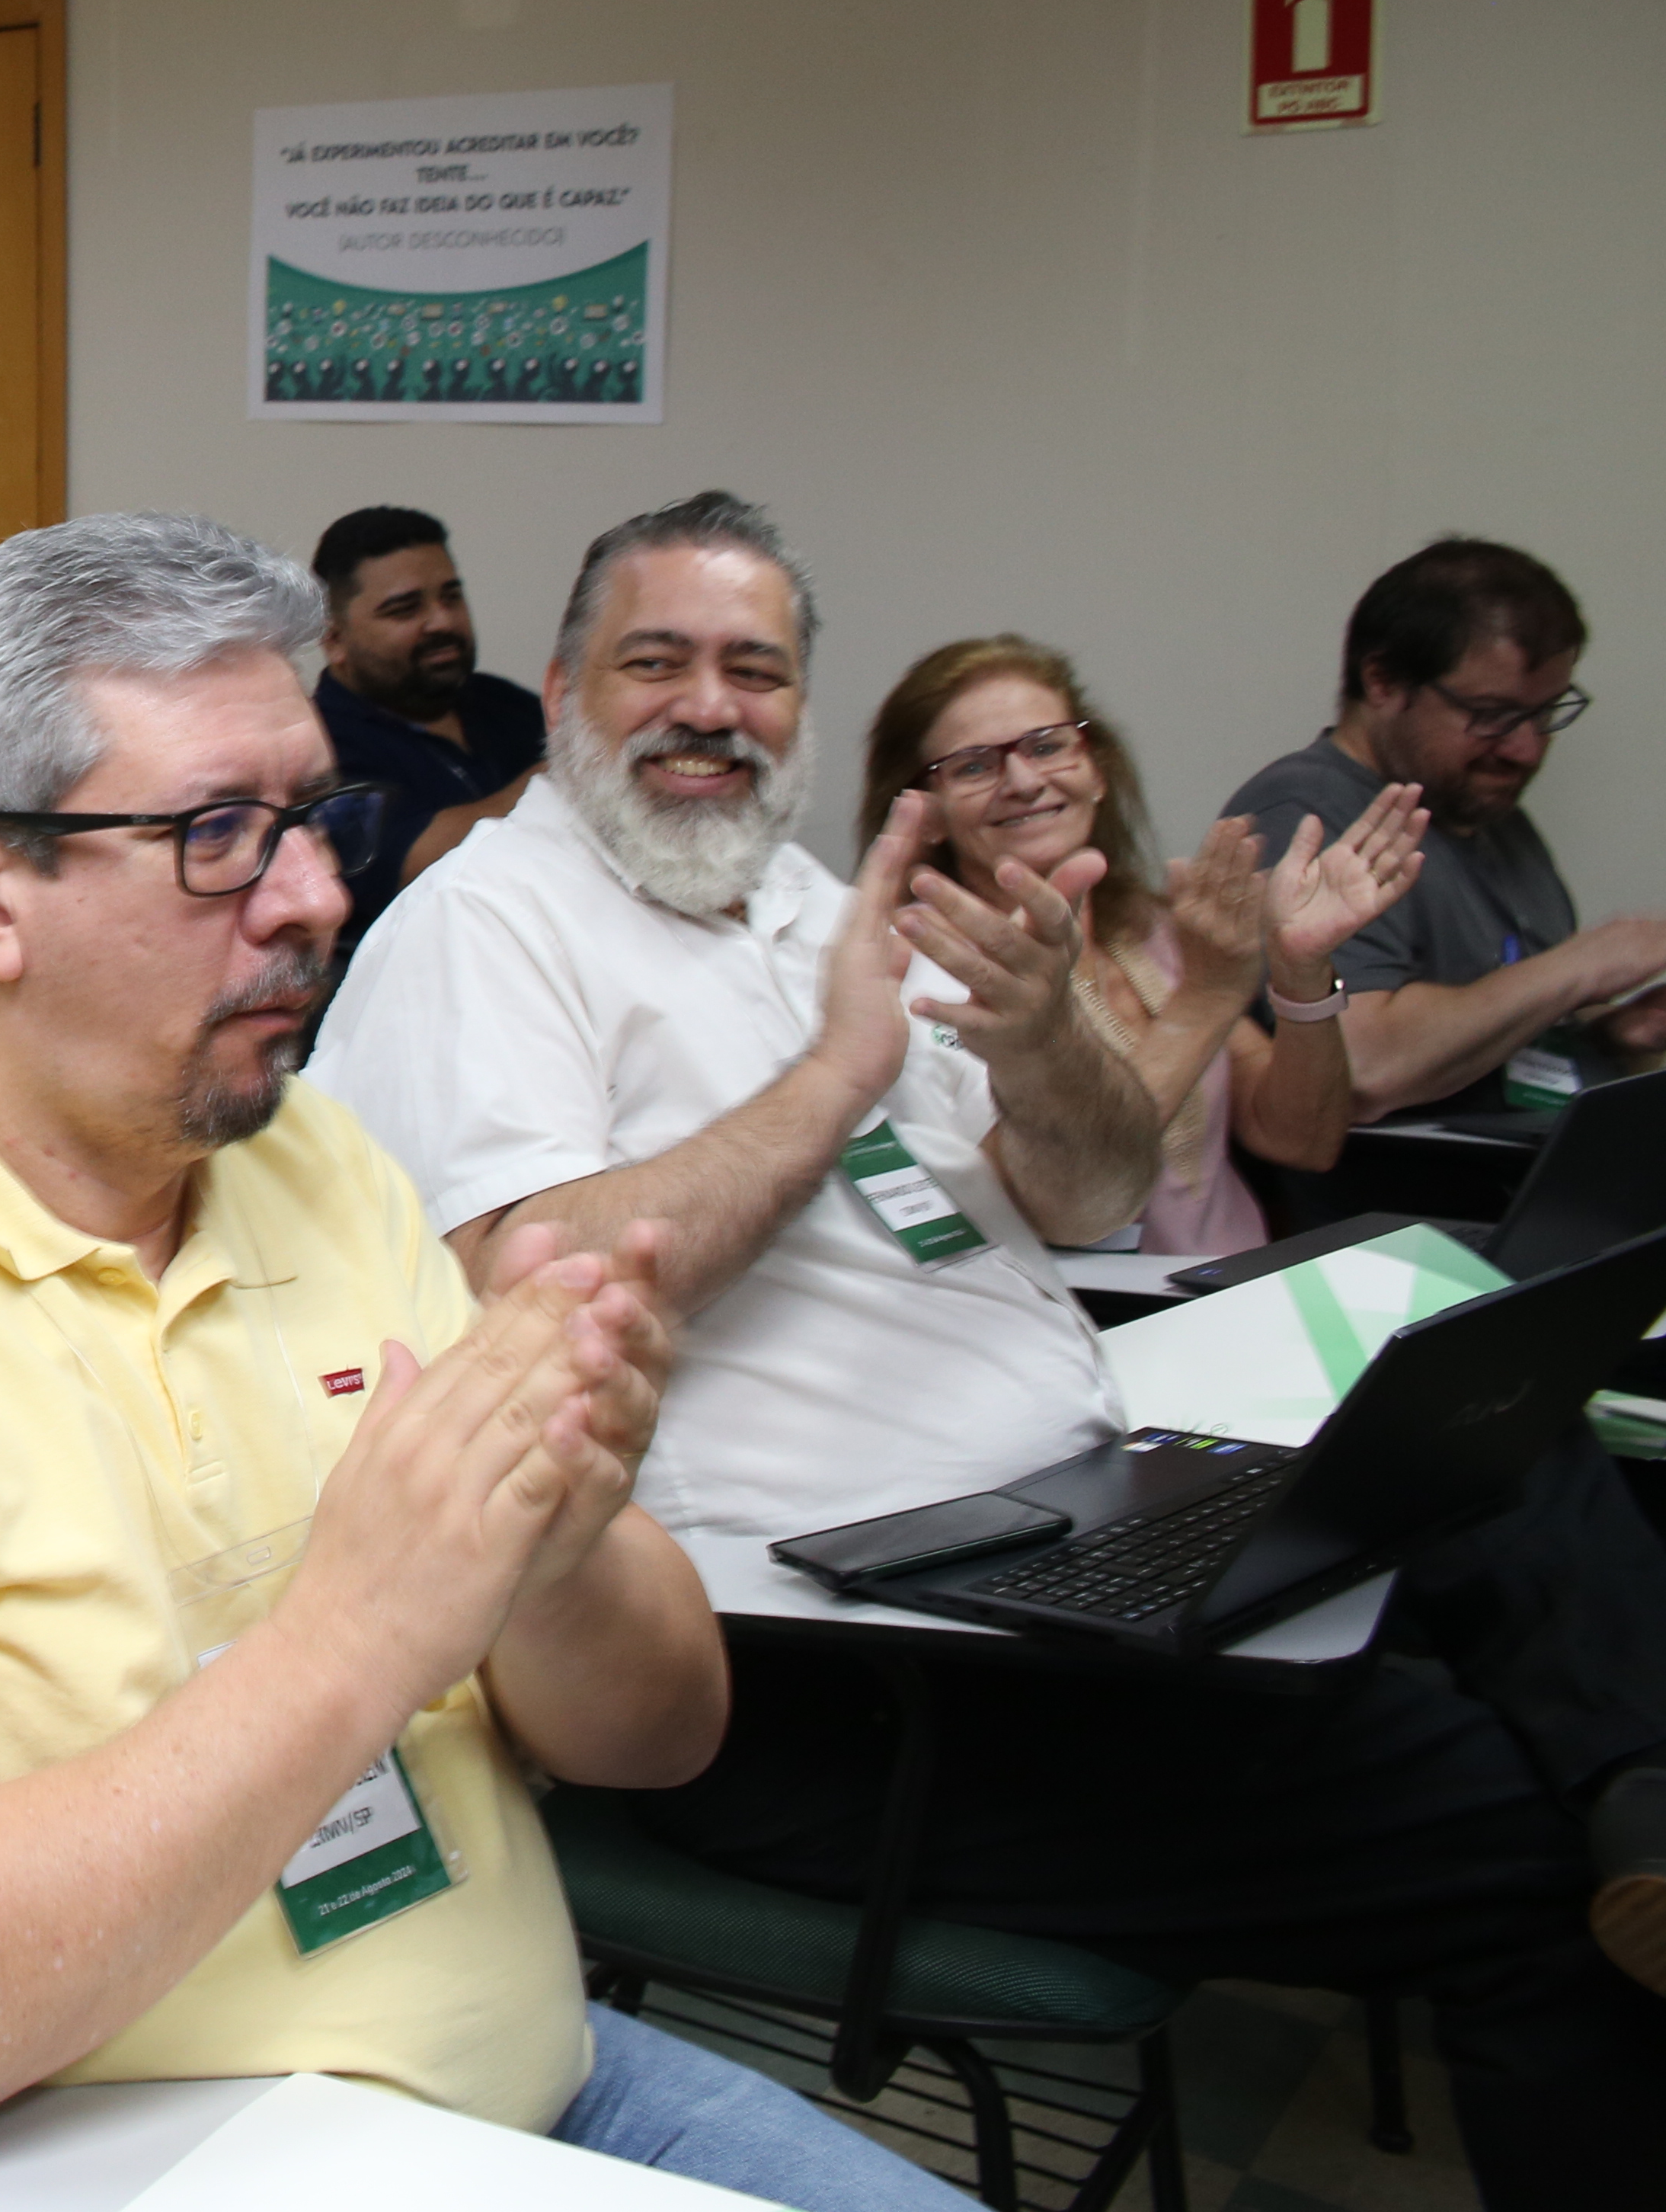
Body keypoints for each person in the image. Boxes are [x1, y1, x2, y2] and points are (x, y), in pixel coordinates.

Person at [0, 511, 964, 2210]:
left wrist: (558, 1539)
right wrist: (365, 1630)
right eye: (221, 833)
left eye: (311, 816)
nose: (318, 893)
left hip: (538, 2097)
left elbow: (659, 1738)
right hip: (111, 2169)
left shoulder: (321, 1167)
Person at [312, 491, 1666, 2199]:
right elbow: (528, 1291)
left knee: (1501, 1419)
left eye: (758, 669)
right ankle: (1603, 1846)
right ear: (568, 689)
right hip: (836, 1670)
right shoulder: (490, 925)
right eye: (657, 663)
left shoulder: (811, 908)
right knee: (1499, 1839)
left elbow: (1080, 1189)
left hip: (1062, 1528)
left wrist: (1042, 1047)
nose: (711, 707)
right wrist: (832, 1082)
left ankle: (1651, 1811)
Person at [862, 635, 1424, 1253]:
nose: (1023, 780)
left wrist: (1301, 970)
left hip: (1241, 1295)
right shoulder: (916, 966)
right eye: (974, 766)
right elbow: (1043, 1205)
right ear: (928, 815)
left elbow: (1303, 1140)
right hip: (1102, 1324)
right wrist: (1205, 1000)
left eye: (1048, 746)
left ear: (1097, 772)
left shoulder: (1154, 929)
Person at [1225, 536, 1666, 1127]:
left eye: (1545, 714)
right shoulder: (1304, 815)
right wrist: (1580, 965)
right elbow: (1362, 1065)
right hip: (1411, 1204)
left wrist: (1611, 1034)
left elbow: (1509, 1025)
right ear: (1382, 681)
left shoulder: (1482, 805)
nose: (1526, 749)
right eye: (1492, 715)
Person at [305, 505, 545, 971]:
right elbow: (420, 861)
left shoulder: (504, 704)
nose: (441, 622)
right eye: (405, 609)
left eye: (451, 598)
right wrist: (580, 767)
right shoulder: (317, 748)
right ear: (335, 640)